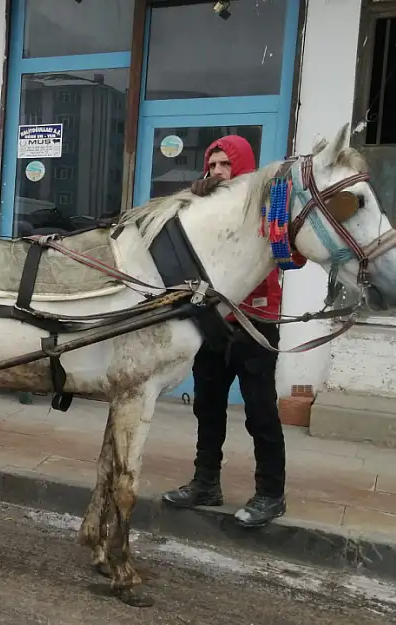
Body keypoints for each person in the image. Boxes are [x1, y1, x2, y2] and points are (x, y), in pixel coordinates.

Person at [161, 135, 299, 528]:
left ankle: (271, 493)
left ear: (244, 167)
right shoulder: (206, 205)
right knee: (208, 407)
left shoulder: (269, 204)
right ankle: (206, 483)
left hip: (256, 322)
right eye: (214, 164)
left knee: (260, 412)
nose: (219, 172)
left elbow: (294, 258)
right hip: (214, 320)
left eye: (226, 165)